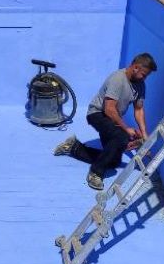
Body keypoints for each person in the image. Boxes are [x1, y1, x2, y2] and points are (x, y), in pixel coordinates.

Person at [54, 53, 158, 191]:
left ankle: (72, 147)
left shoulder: (140, 85)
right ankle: (96, 173)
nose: (145, 78)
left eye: (147, 76)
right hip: (98, 114)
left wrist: (145, 134)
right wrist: (126, 129)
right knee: (121, 137)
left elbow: (138, 109)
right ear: (136, 67)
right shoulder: (118, 79)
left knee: (113, 160)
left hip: (112, 119)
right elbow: (109, 109)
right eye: (144, 74)